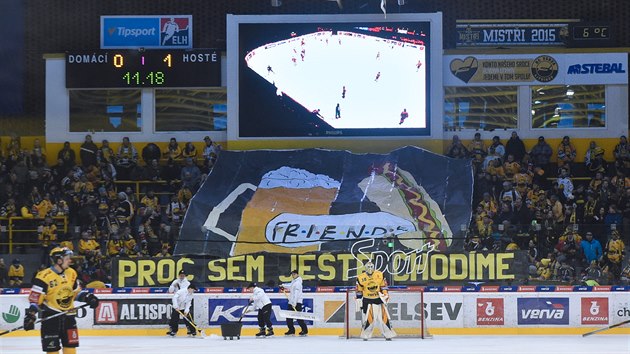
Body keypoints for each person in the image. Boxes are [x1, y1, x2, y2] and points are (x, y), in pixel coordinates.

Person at [25, 247, 99, 354]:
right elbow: (35, 299)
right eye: (67, 258)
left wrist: (88, 297)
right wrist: (30, 315)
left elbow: (75, 293)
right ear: (59, 260)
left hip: (69, 318)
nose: (70, 260)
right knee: (52, 350)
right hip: (51, 318)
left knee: (70, 349)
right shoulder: (43, 276)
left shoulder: (71, 273)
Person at [355, 261, 396, 341]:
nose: (370, 269)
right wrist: (359, 298)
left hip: (378, 299)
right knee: (368, 318)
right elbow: (359, 290)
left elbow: (383, 286)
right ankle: (365, 335)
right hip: (367, 300)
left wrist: (385, 294)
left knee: (384, 317)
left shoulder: (379, 274)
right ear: (365, 268)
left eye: (371, 267)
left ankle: (388, 334)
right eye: (368, 267)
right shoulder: (360, 277)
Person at [279, 270, 308, 336]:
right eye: (292, 274)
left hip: (297, 302)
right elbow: (290, 286)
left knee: (298, 317)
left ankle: (304, 330)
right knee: (288, 317)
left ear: (297, 274)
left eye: (294, 274)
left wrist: (294, 303)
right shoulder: (294, 281)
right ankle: (291, 330)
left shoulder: (298, 283)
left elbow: (296, 294)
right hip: (292, 302)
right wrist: (283, 285)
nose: (293, 275)